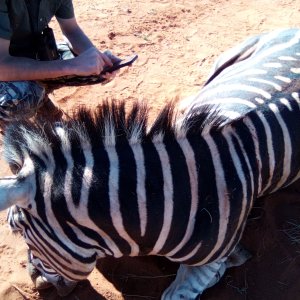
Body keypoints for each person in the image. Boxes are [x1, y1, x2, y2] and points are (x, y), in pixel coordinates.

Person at [0, 0, 118, 122]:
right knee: (12, 101)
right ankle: (17, 133)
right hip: (6, 64)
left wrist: (97, 58)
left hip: (34, 52)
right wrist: (70, 66)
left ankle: (40, 96)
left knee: (95, 71)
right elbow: (2, 67)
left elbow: (72, 30)